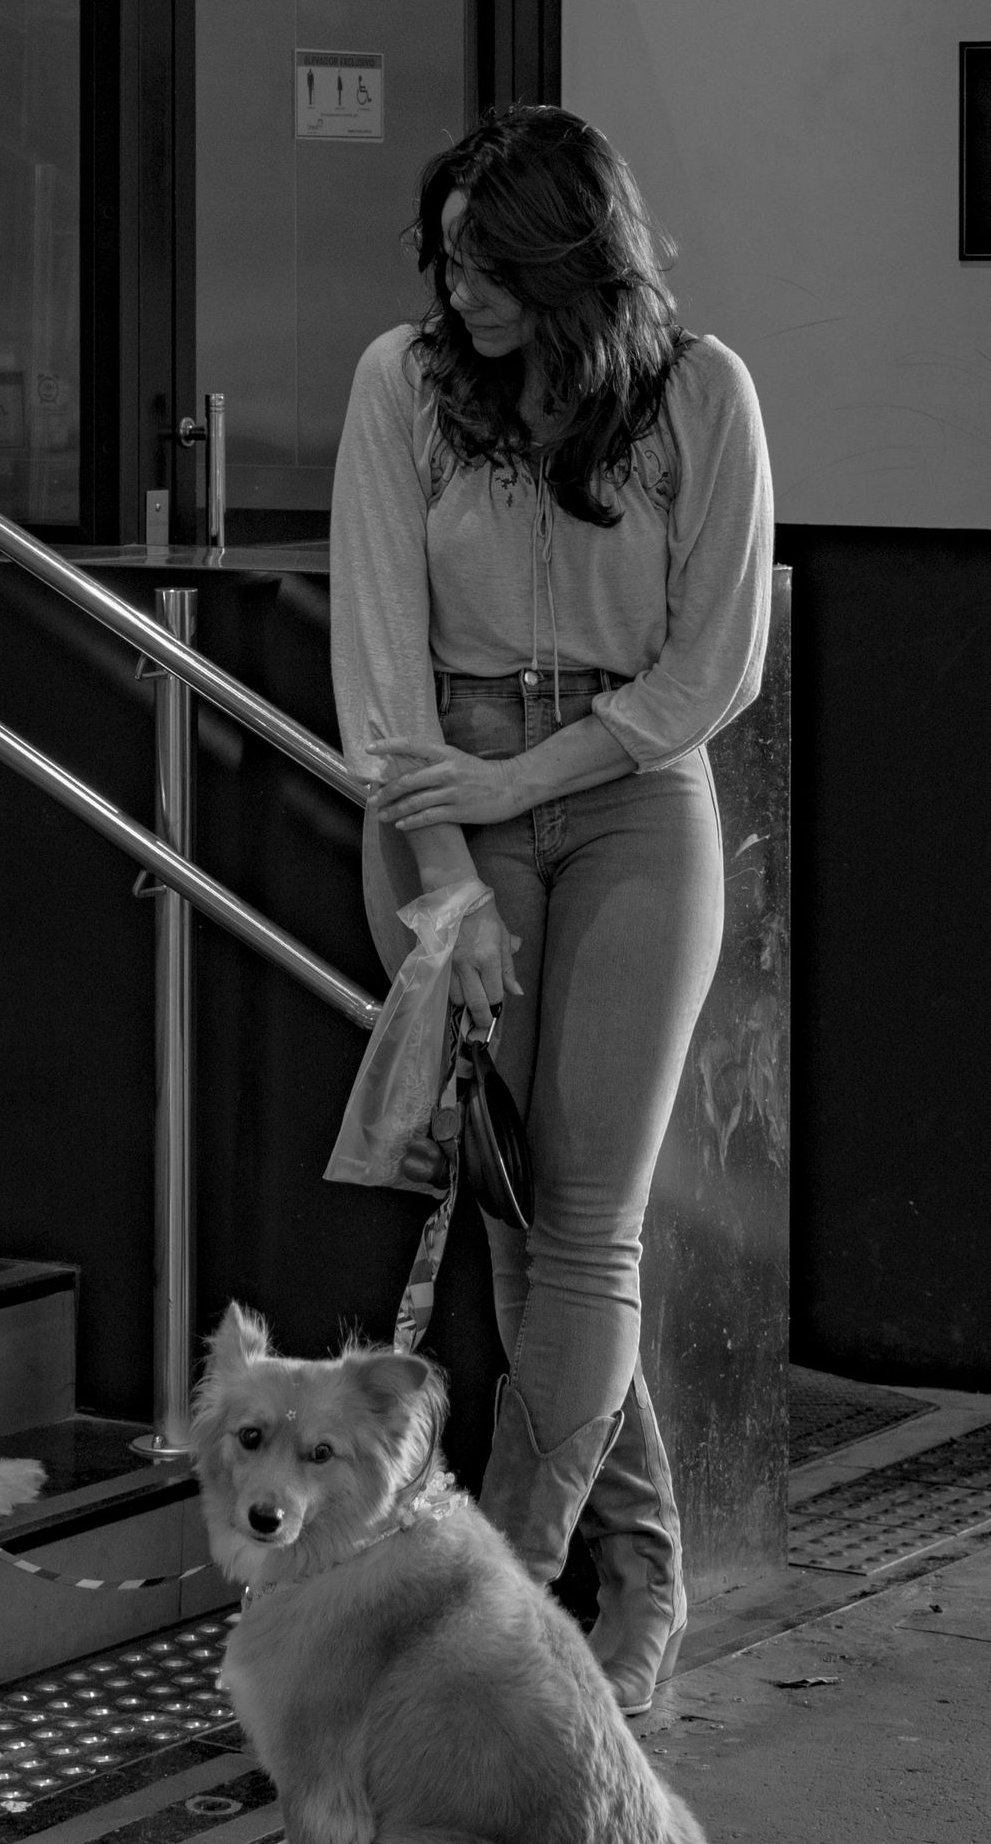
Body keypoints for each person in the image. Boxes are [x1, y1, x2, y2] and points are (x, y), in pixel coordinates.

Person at [330, 106, 773, 1716]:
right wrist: (453, 890)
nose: (461, 292)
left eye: (494, 264)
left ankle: (490, 1631)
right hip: (441, 804)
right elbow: (381, 665)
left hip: (636, 796)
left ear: (576, 261)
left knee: (587, 1225)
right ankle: (639, 1578)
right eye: (447, 258)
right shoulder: (405, 382)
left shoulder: (700, 394)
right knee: (528, 1220)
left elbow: (713, 669)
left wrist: (527, 779)